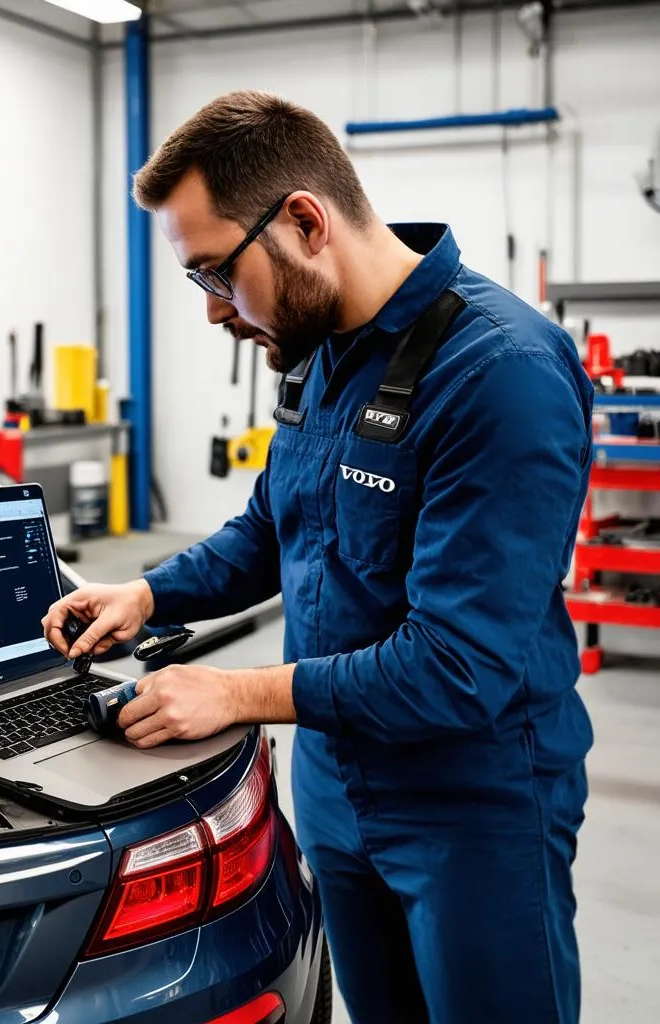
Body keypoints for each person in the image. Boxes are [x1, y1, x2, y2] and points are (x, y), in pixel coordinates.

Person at [42, 91, 593, 1024]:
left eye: (218, 274)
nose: (216, 313)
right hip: (336, 789)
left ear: (304, 221)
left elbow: (458, 669)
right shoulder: (316, 353)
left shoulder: (501, 375)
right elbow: (272, 529)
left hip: (472, 807)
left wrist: (232, 692)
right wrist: (144, 592)